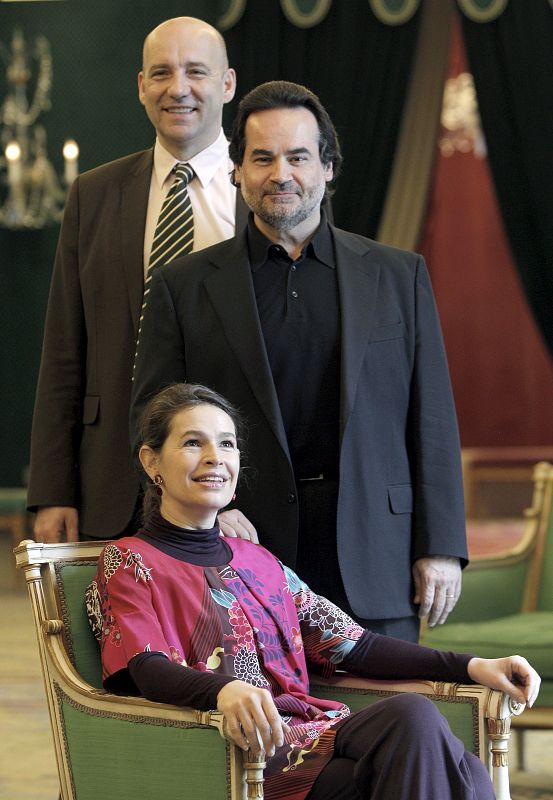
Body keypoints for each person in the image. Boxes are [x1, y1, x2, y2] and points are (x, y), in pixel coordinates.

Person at [130, 80, 467, 642]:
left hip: (376, 552)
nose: (280, 174)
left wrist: (441, 546)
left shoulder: (398, 276)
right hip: (239, 550)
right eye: (262, 158)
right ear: (237, 169)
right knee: (266, 728)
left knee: (387, 722)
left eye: (298, 157)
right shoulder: (181, 287)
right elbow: (151, 420)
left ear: (328, 167)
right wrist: (209, 503)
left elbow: (431, 418)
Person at [88, 383, 540, 800]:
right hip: (242, 753)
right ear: (151, 462)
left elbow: (354, 646)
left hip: (316, 734)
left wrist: (474, 666)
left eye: (226, 443)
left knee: (429, 734)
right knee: (456, 767)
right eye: (193, 442)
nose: (214, 456)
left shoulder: (258, 561)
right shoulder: (129, 561)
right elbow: (145, 667)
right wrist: (222, 691)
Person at [27, 16, 251, 544]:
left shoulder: (265, 194)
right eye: (161, 73)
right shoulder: (93, 194)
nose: (178, 89)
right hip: (109, 488)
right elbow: (64, 349)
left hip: (236, 498)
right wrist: (52, 488)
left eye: (196, 71)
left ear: (227, 84)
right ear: (141, 86)